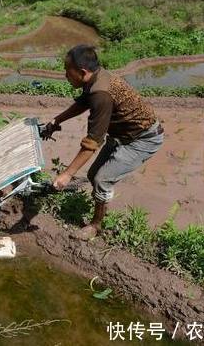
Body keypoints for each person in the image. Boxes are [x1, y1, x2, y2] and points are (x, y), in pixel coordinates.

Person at [41, 45, 164, 240]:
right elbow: (83, 102)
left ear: (82, 72)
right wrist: (57, 121)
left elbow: (92, 142)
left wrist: (67, 174)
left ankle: (95, 226)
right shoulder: (96, 78)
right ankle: (100, 202)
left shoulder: (101, 94)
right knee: (92, 174)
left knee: (101, 179)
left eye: (67, 71)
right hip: (123, 136)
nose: (65, 75)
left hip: (142, 139)